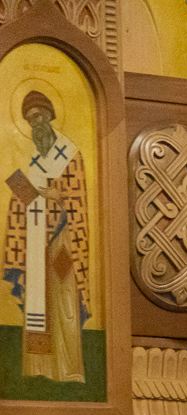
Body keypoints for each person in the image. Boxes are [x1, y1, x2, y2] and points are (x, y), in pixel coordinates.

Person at [2, 90, 90, 383]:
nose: (35, 123)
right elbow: (26, 201)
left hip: (63, 244)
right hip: (38, 245)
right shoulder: (34, 161)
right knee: (38, 302)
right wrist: (22, 193)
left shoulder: (70, 154)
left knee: (64, 302)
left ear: (50, 116)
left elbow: (78, 197)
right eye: (29, 120)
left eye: (38, 116)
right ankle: (40, 368)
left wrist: (59, 195)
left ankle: (68, 369)